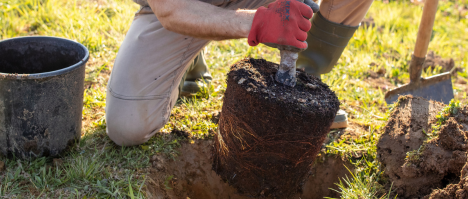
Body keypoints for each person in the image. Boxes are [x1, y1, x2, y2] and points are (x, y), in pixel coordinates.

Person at [105, 0, 372, 146]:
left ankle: (304, 83)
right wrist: (256, 22)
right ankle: (190, 56)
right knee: (128, 126)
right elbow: (172, 9)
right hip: (186, 5)